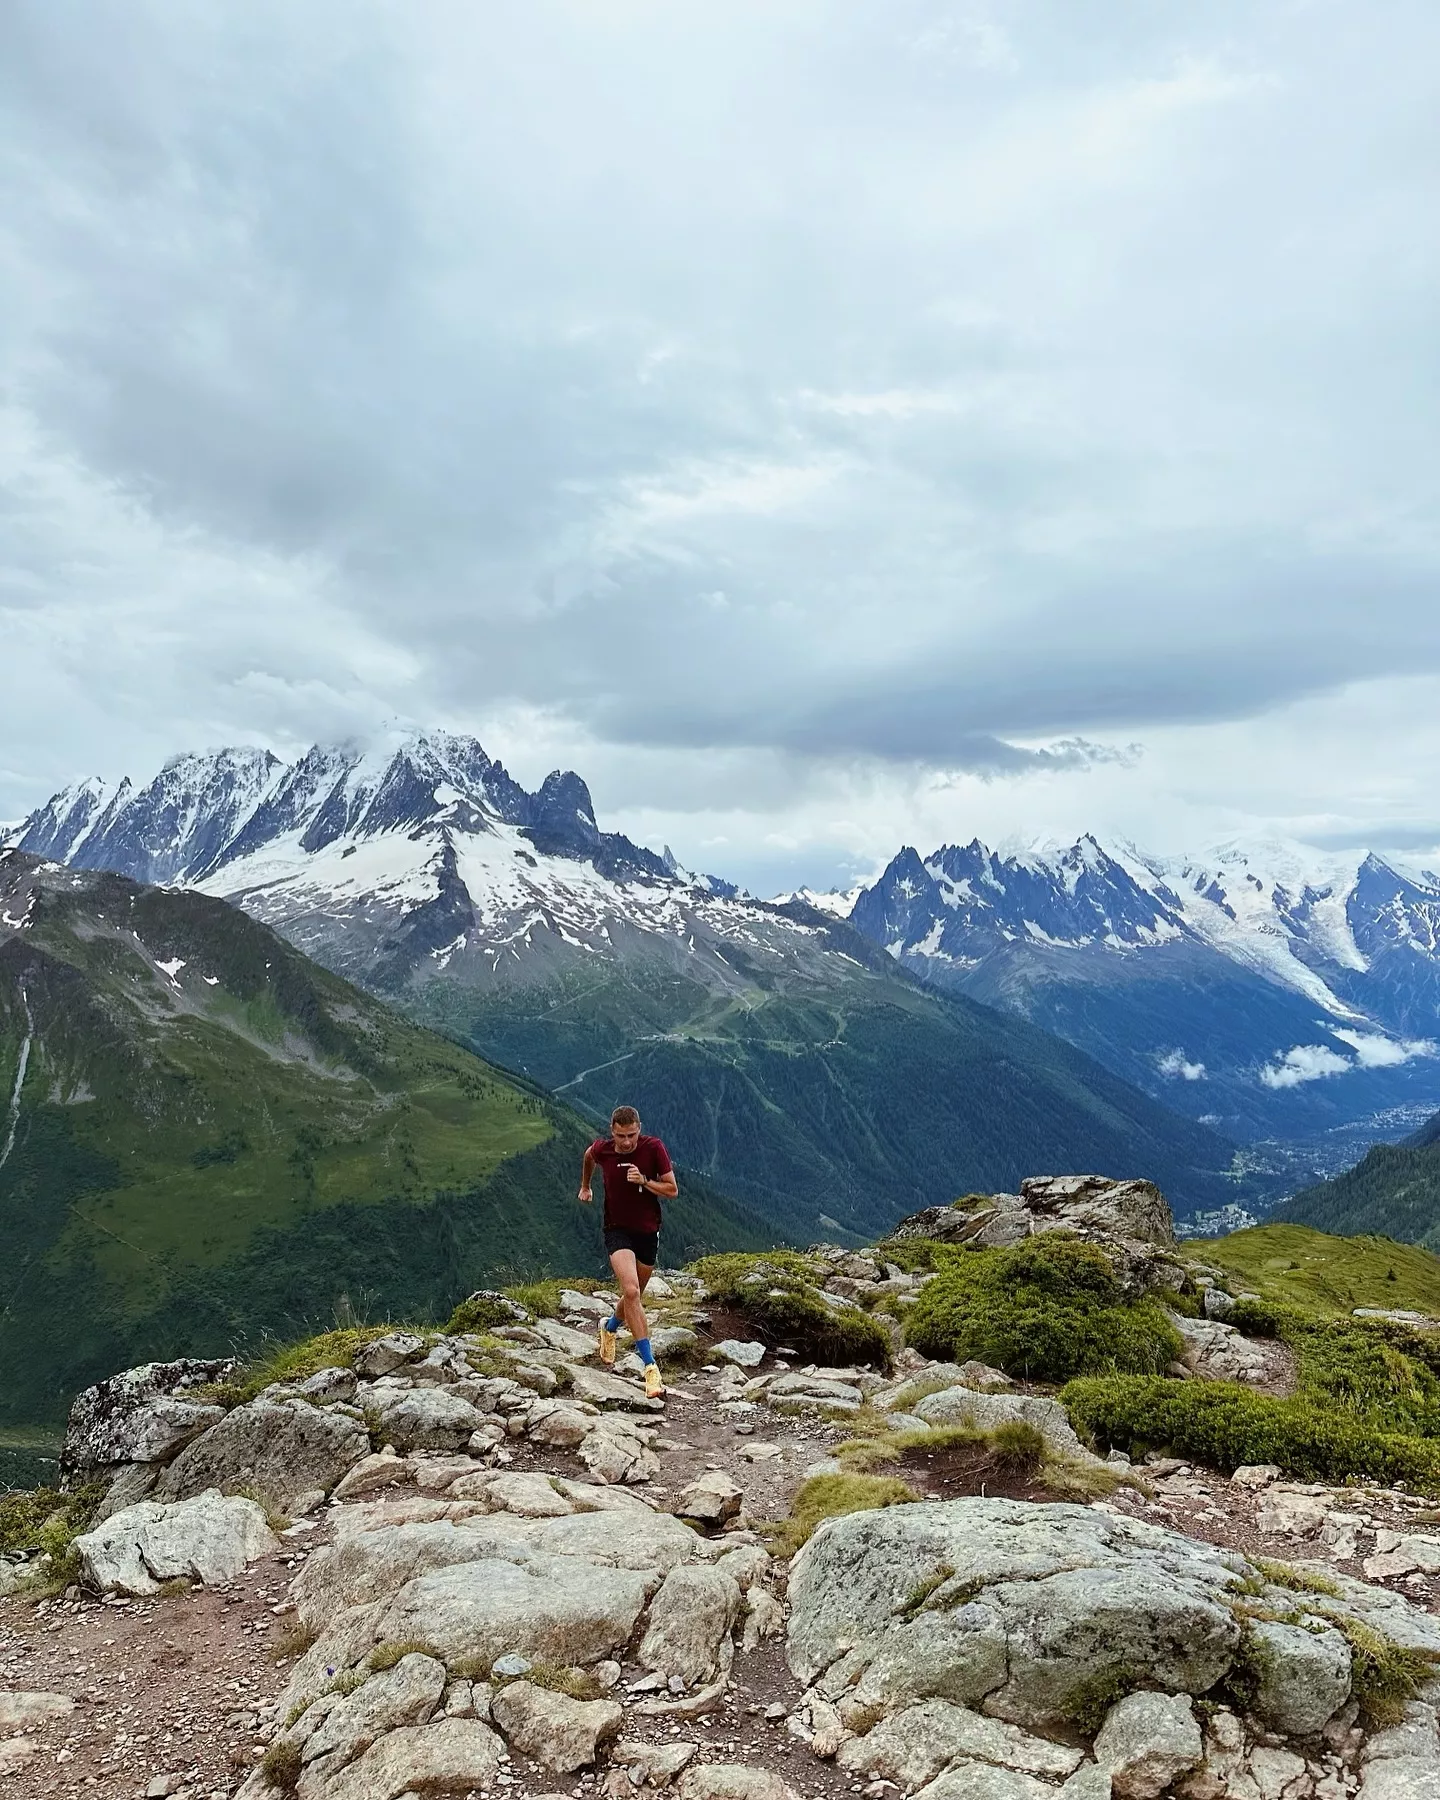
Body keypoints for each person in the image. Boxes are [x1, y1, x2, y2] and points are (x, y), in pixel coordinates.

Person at [578, 1104, 678, 1398]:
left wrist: (645, 1181)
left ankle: (609, 1328)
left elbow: (672, 1190)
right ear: (612, 1132)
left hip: (647, 1231)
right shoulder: (603, 1150)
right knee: (632, 1292)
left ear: (639, 1129)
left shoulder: (653, 1148)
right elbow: (588, 1156)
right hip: (616, 1230)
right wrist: (586, 1186)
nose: (626, 1142)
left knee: (634, 1294)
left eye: (631, 1135)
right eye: (621, 1136)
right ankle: (650, 1368)